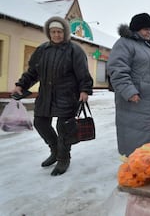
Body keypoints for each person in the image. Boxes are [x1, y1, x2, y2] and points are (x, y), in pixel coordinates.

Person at [11, 16, 93, 176]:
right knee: (40, 123)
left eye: (59, 32)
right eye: (53, 32)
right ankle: (55, 151)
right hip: (45, 95)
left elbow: (83, 73)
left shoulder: (74, 50)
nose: (56, 35)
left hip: (67, 95)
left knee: (64, 128)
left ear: (65, 32)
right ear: (49, 33)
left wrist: (84, 90)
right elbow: (32, 72)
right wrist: (21, 85)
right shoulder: (42, 50)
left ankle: (63, 158)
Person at [107, 13, 150, 156]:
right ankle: (138, 168)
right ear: (136, 29)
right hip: (138, 102)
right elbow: (117, 69)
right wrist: (129, 91)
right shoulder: (124, 43)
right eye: (145, 29)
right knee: (139, 139)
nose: (148, 32)